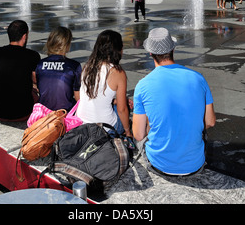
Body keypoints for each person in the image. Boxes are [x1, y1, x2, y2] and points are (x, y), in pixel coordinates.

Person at [132, 27, 216, 176]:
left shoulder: (142, 85)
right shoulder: (198, 78)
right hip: (195, 165)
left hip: (159, 165)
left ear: (150, 53)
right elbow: (210, 122)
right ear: (173, 49)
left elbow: (138, 134)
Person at [77, 30, 132, 138]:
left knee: (119, 104)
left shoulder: (87, 67)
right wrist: (128, 131)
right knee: (125, 106)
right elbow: (122, 109)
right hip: (105, 128)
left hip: (82, 124)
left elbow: (94, 96)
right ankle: (122, 132)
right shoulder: (117, 72)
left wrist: (114, 101)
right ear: (118, 49)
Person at [0, 20, 41, 122]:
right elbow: (38, 81)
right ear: (24, 36)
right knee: (39, 92)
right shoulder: (32, 55)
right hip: (22, 113)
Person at [36, 26, 82, 112]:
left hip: (44, 112)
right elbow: (77, 96)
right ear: (67, 45)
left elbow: (42, 87)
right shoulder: (74, 66)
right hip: (65, 112)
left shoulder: (39, 64)